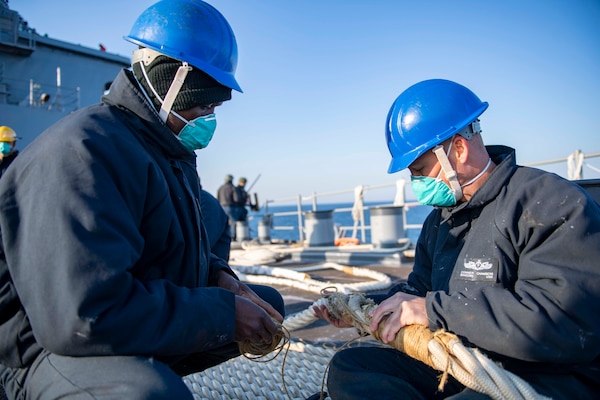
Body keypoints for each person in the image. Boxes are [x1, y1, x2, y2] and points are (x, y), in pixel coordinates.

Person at [0, 1, 284, 399]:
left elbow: (168, 247)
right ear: (169, 82)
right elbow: (84, 314)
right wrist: (223, 314)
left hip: (101, 319)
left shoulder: (163, 150)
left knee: (268, 306)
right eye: (203, 104)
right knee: (148, 393)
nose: (209, 118)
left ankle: (141, 367)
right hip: (41, 348)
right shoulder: (83, 152)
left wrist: (219, 278)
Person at [315, 79, 600, 399]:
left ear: (458, 149)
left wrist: (435, 311)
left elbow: (564, 325)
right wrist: (366, 311)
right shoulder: (439, 222)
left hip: (544, 375)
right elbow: (417, 294)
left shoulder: (551, 203)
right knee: (351, 366)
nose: (416, 183)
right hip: (462, 363)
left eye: (420, 171)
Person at [217, 174, 240, 239]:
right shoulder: (232, 187)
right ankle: (232, 237)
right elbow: (236, 199)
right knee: (233, 221)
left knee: (223, 222)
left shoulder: (220, 188)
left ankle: (222, 236)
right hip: (230, 207)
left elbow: (218, 198)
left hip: (221, 207)